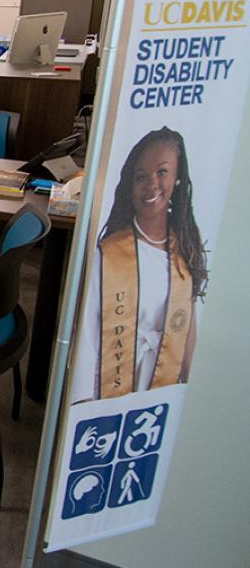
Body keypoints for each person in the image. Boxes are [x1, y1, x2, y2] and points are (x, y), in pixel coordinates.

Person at [69, 127, 206, 403]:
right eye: (141, 177)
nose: (152, 185)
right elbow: (86, 336)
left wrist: (193, 396)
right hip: (111, 385)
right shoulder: (109, 254)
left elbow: (187, 329)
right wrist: (84, 406)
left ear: (178, 178)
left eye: (162, 172)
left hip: (163, 387)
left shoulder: (185, 247)